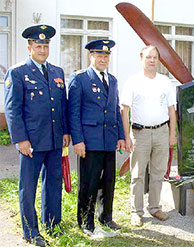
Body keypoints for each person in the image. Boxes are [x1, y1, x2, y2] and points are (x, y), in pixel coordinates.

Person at [4, 24, 69, 246]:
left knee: (53, 183)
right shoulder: (18, 72)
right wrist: (20, 139)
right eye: (38, 46)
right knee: (28, 187)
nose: (42, 50)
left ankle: (52, 223)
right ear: (29, 47)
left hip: (54, 139)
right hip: (31, 141)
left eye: (45, 46)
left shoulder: (56, 72)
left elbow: (62, 106)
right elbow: (12, 110)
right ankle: (31, 231)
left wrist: (66, 132)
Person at [68, 39, 125, 236]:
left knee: (108, 181)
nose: (103, 59)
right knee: (89, 182)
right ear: (90, 56)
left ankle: (106, 217)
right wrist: (78, 140)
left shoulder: (113, 80)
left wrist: (120, 136)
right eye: (99, 55)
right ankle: (86, 221)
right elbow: (73, 112)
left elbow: (116, 110)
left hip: (109, 140)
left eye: (106, 55)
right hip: (89, 141)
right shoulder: (80, 78)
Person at [120, 45, 177, 227]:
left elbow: (171, 110)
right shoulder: (133, 81)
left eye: (155, 57)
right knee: (137, 174)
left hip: (161, 132)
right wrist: (127, 136)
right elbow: (124, 110)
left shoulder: (165, 82)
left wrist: (172, 133)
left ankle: (154, 207)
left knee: (158, 173)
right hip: (139, 133)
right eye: (148, 57)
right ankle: (136, 212)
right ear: (141, 58)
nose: (152, 60)